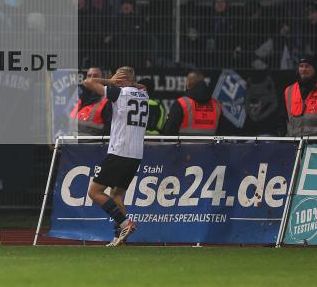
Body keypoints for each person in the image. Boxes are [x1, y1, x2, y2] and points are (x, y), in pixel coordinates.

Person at [82, 66, 148, 247]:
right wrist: (130, 82)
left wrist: (109, 82)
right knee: (117, 194)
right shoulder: (144, 94)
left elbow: (87, 82)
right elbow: (140, 87)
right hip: (136, 153)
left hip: (120, 150)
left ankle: (126, 223)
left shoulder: (119, 93)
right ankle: (120, 238)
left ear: (120, 79)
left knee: (94, 192)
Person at [162, 71, 221, 136]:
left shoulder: (182, 103)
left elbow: (169, 131)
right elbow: (223, 133)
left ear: (188, 83)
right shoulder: (216, 105)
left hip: (184, 145)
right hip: (211, 145)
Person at [70, 67, 112, 136]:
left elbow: (109, 130)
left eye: (95, 76)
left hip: (94, 145)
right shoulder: (81, 99)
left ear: (102, 79)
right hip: (71, 143)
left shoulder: (107, 102)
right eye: (89, 76)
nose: (91, 79)